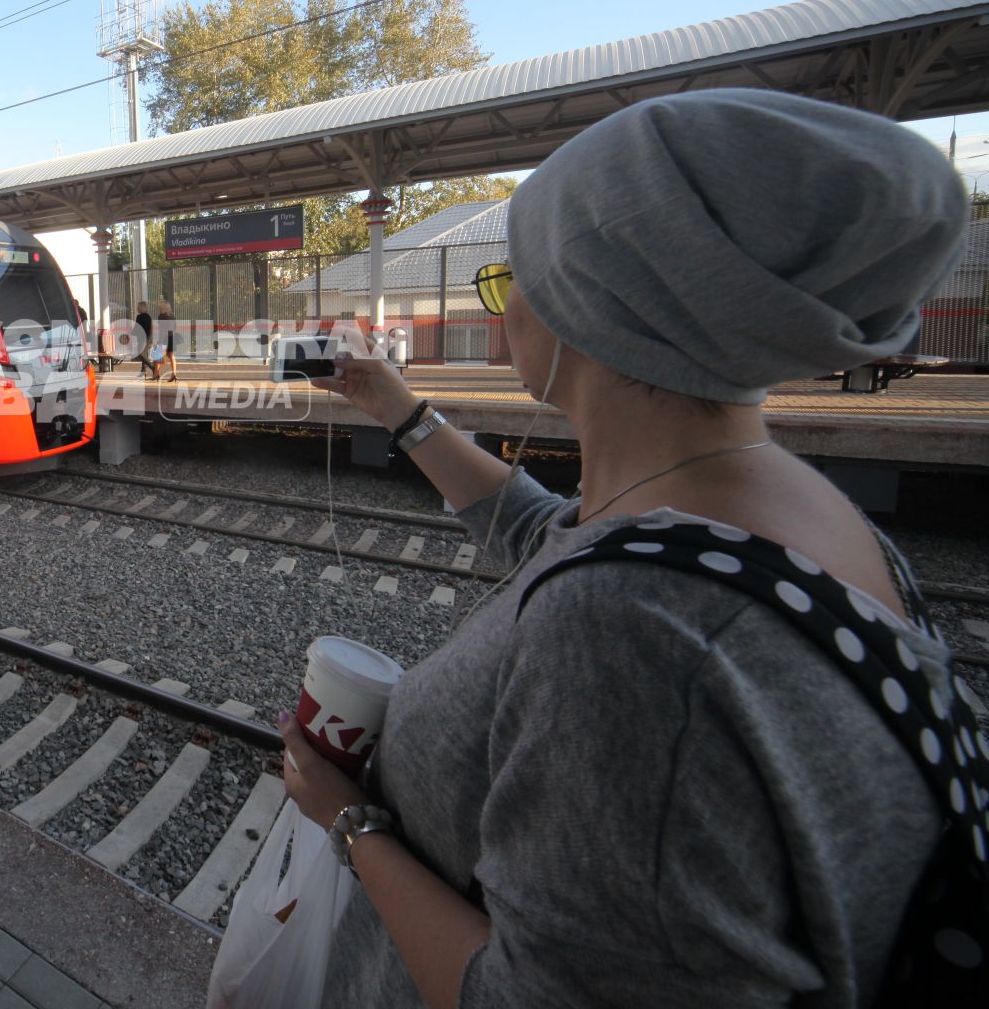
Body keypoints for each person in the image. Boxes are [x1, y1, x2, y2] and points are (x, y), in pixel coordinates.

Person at [272, 90, 976, 1008]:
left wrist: (353, 825)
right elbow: (554, 536)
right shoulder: (783, 506)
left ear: (590, 304)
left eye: (511, 276)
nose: (504, 304)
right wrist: (398, 410)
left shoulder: (637, 637)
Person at [155, 299, 179, 382]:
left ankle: (156, 374)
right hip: (172, 337)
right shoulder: (172, 316)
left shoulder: (161, 316)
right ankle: (174, 374)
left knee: (158, 356)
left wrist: (159, 340)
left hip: (164, 338)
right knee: (171, 356)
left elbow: (161, 329)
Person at [134, 301, 156, 380]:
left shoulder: (139, 317)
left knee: (141, 354)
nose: (137, 308)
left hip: (143, 338)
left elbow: (137, 328)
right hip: (148, 338)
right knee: (144, 354)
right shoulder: (148, 316)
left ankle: (153, 367)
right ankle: (143, 371)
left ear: (141, 307)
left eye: (138, 306)